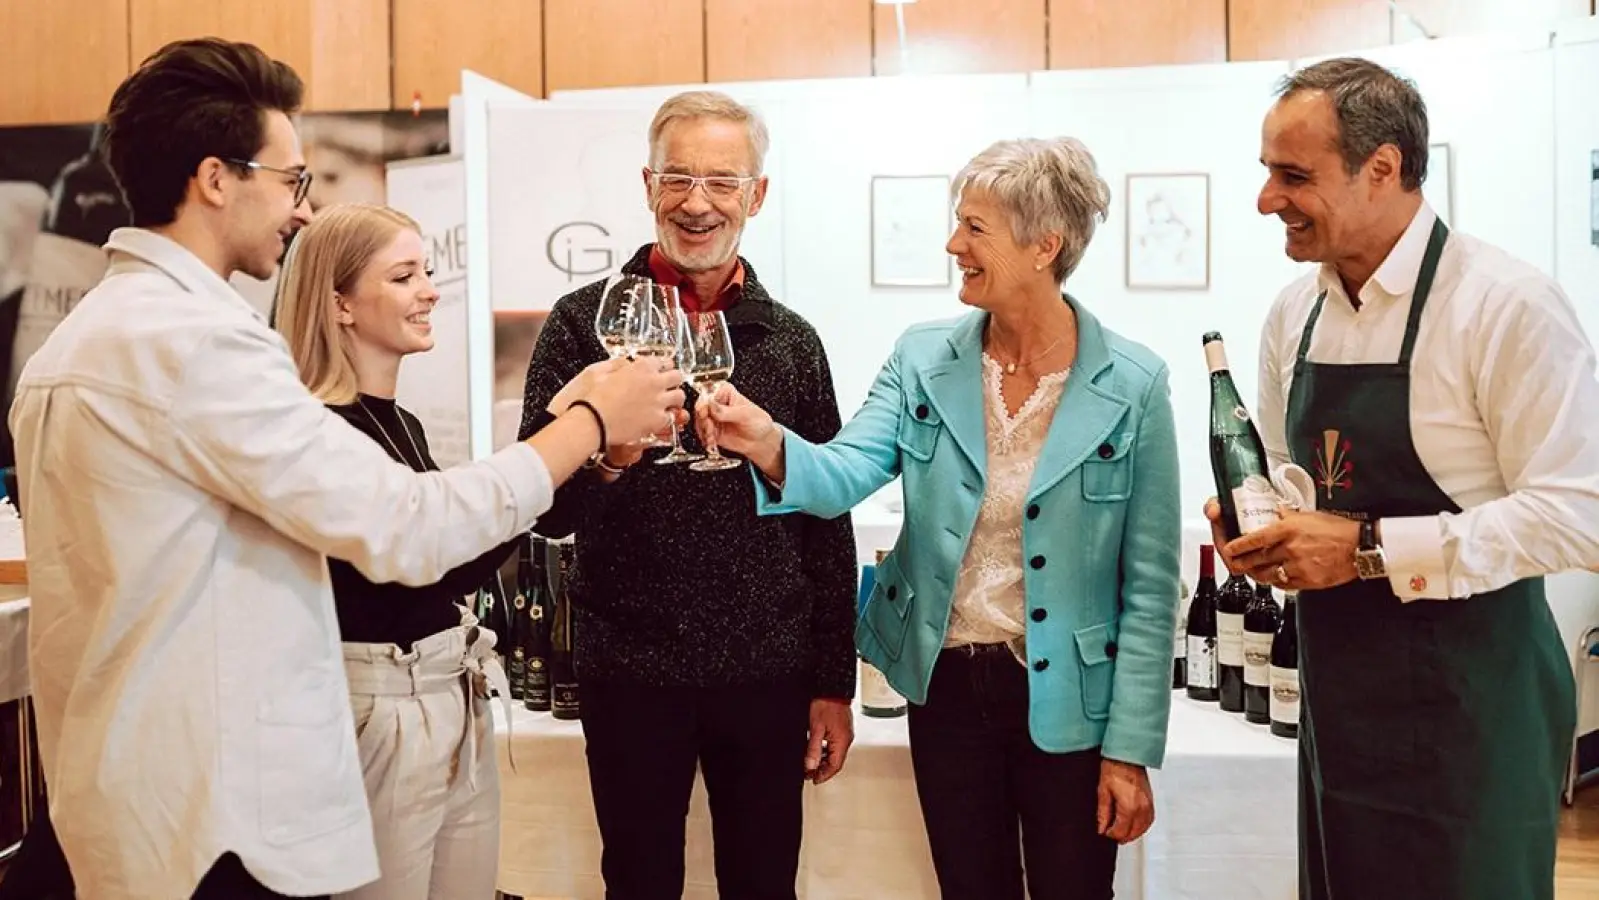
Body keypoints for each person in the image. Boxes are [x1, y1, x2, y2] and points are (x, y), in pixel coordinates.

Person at [4, 38, 683, 900]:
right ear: (216, 178)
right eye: (291, 182)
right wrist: (586, 421)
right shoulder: (193, 342)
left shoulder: (80, 341)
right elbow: (409, 529)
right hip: (207, 820)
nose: (300, 210)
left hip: (130, 793)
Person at [705, 136, 1180, 899]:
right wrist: (762, 438)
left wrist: (1129, 752)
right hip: (947, 691)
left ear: (1043, 245)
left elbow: (1152, 586)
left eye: (974, 227)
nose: (952, 244)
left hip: (1071, 702)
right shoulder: (922, 357)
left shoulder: (1133, 383)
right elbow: (842, 474)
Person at [1206, 57, 1596, 900]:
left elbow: (1581, 515)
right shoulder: (1293, 314)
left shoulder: (1504, 305)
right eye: (1266, 172)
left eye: (1293, 175)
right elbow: (1290, 475)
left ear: (1382, 168)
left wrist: (1370, 549)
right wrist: (1262, 527)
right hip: (1339, 705)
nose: (1265, 199)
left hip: (1475, 714)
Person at [518, 90, 859, 899]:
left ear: (756, 196)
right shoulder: (579, 326)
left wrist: (831, 681)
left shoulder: (793, 342)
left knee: (763, 883)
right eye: (677, 178)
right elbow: (546, 510)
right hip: (629, 667)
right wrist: (608, 458)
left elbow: (826, 516)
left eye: (721, 182)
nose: (696, 203)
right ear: (646, 186)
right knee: (636, 884)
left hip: (766, 672)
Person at [274, 203, 556, 899]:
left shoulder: (400, 422)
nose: (431, 290)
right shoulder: (317, 431)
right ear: (339, 304)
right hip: (378, 709)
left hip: (447, 694)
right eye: (404, 276)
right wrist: (558, 451)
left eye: (426, 272)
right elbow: (425, 569)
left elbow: (450, 568)